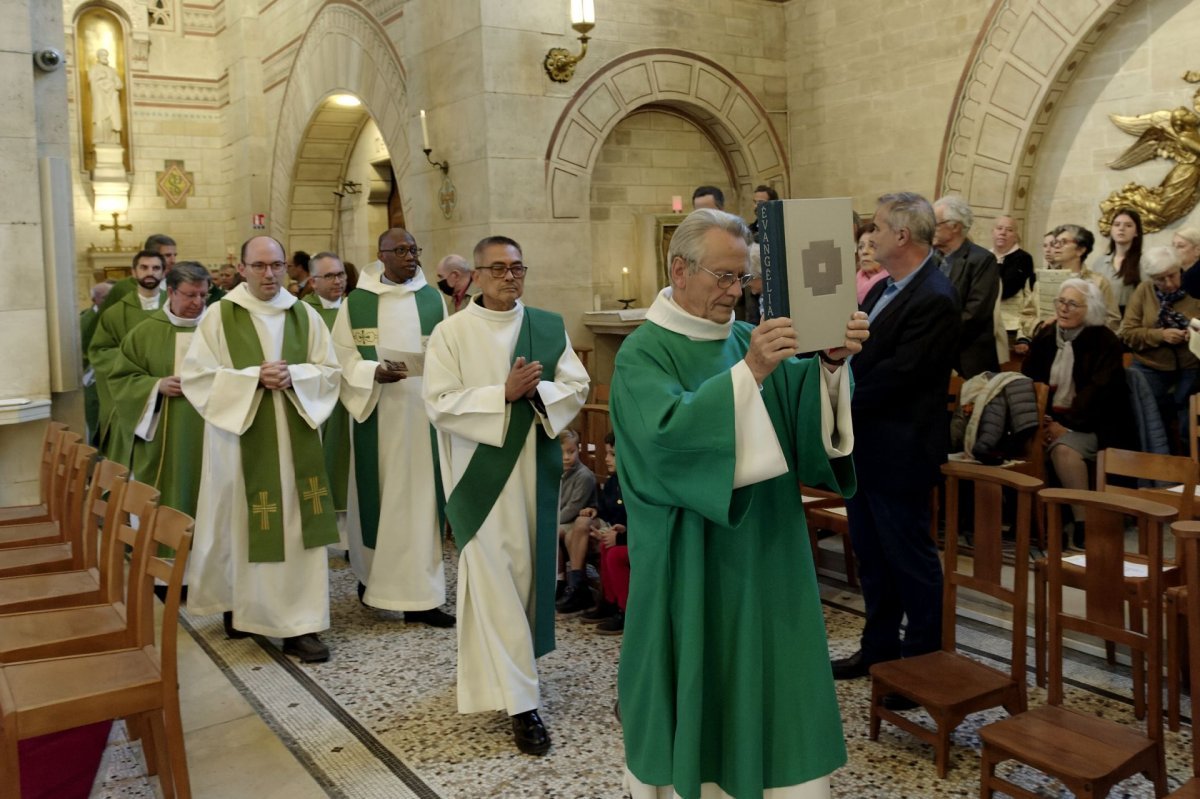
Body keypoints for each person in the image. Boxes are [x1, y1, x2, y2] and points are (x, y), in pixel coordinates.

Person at [611, 208, 868, 799]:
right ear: (679, 269)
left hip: (769, 550)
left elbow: (798, 419)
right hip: (694, 559)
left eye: (742, 278)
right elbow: (663, 443)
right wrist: (750, 371)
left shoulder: (738, 339)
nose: (736, 292)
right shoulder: (643, 354)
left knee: (775, 683)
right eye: (723, 277)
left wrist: (830, 365)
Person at [423, 235, 589, 756]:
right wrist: (502, 394)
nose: (510, 276)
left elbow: (577, 386)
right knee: (494, 584)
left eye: (517, 267)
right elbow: (439, 403)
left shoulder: (547, 325)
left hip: (536, 479)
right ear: (474, 275)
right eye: (498, 268)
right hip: (481, 482)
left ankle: (507, 683)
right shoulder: (450, 334)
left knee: (523, 582)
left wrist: (537, 392)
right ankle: (524, 705)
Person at [182, 236, 341, 663]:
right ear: (243, 269)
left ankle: (298, 624)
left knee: (293, 527)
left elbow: (330, 373)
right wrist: (253, 377)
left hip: (295, 443)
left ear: (286, 267)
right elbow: (197, 378)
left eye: (276, 265)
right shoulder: (219, 317)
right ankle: (242, 607)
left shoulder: (305, 315)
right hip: (239, 442)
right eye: (259, 266)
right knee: (240, 522)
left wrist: (297, 377)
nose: (268, 274)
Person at [832, 193, 961, 696]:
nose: (871, 238)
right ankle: (879, 650)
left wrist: (840, 391)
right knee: (872, 555)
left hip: (901, 451)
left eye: (879, 229)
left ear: (903, 236)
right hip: (867, 448)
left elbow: (902, 375)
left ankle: (922, 671)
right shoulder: (883, 288)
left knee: (911, 561)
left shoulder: (935, 296)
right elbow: (858, 350)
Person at [332, 230, 453, 625]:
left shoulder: (433, 299)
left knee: (422, 507)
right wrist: (371, 372)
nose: (410, 257)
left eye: (414, 249)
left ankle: (425, 597)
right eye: (401, 251)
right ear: (381, 255)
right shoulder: (358, 303)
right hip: (378, 418)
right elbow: (340, 359)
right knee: (379, 502)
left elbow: (449, 352)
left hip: (423, 419)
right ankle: (373, 582)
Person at [1023, 278, 1132, 545]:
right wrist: (1044, 420)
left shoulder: (1104, 341)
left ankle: (1083, 521)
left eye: (1073, 304)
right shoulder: (1047, 336)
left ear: (1090, 309)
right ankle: (1041, 524)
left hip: (1096, 424)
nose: (1064, 309)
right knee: (1020, 444)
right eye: (1061, 302)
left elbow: (1100, 393)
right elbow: (1029, 380)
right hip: (1049, 421)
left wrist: (1066, 426)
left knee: (1064, 450)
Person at [108, 262, 210, 518]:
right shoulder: (144, 333)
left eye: (203, 294)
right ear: (172, 292)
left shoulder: (218, 329)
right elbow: (121, 379)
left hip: (212, 431)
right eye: (190, 294)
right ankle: (159, 552)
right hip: (163, 431)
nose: (198, 302)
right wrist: (156, 385)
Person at [88, 250, 167, 464]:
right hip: (131, 395)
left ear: (163, 272)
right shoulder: (115, 313)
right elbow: (99, 351)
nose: (150, 273)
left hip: (170, 395)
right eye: (144, 267)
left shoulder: (176, 308)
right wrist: (134, 366)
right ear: (134, 272)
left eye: (156, 268)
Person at [1119, 246, 1200, 449]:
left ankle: (1191, 472)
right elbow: (1128, 332)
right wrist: (1160, 335)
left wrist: (1193, 332)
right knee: (1149, 423)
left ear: (1179, 268)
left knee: (1188, 426)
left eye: (1172, 275)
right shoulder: (1144, 291)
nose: (1169, 283)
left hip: (1190, 366)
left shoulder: (1195, 287)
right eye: (1160, 279)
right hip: (1150, 366)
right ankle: (1158, 472)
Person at [303, 253, 352, 548]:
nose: (338, 281)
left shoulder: (354, 309)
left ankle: (350, 539)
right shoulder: (302, 313)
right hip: (317, 403)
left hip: (352, 400)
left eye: (341, 274)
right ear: (313, 282)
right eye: (330, 276)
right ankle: (323, 530)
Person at [1016, 224, 1120, 350]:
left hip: (1085, 350)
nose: (1056, 246)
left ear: (1080, 250)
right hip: (1047, 347)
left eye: (1063, 242)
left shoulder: (1098, 282)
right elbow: (1027, 316)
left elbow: (1113, 321)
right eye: (1055, 242)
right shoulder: (1043, 281)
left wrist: (1080, 324)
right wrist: (1040, 326)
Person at [932, 195, 1000, 377]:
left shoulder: (981, 260)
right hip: (934, 356)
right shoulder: (931, 259)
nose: (930, 229)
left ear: (955, 226)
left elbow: (976, 313)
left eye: (935, 223)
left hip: (968, 358)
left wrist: (936, 334)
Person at [579, 433, 628, 635]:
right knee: (605, 546)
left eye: (613, 454)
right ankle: (609, 602)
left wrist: (621, 536)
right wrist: (596, 511)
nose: (606, 459)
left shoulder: (636, 485)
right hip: (625, 535)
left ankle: (625, 611)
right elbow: (609, 509)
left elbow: (643, 523)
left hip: (639, 541)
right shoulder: (614, 481)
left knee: (616, 554)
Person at [553, 429, 597, 615]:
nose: (566, 457)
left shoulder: (584, 476)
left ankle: (564, 583)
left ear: (578, 450)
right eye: (562, 452)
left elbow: (572, 509)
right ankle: (559, 581)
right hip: (564, 520)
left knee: (554, 531)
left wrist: (550, 522)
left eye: (571, 452)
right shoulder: (556, 472)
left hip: (578, 519)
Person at [81, 281, 114, 446]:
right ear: (95, 300)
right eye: (106, 297)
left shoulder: (113, 316)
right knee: (95, 421)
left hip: (110, 378)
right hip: (92, 379)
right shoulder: (85, 320)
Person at [991, 214, 1035, 335]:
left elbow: (1007, 289)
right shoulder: (985, 257)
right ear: (992, 232)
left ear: (1015, 235)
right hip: (986, 322)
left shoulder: (1023, 258)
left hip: (1010, 324)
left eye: (1009, 230)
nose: (1003, 233)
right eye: (999, 228)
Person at [1094, 207, 1144, 313]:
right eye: (1117, 225)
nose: (1121, 229)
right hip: (1102, 317)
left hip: (1129, 319)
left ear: (1136, 232)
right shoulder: (1100, 262)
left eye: (1128, 225)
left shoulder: (1143, 262)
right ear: (1111, 230)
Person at [88, 49, 123, 145]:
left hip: (111, 98)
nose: (105, 57)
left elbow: (119, 84)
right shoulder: (94, 68)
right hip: (100, 97)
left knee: (112, 118)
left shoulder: (112, 70)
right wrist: (100, 78)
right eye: (103, 55)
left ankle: (112, 139)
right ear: (98, 57)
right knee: (100, 116)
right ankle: (100, 138)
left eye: (106, 55)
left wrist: (113, 84)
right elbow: (91, 79)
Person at [855, 223, 887, 305]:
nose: (864, 252)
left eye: (872, 246)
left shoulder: (895, 284)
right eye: (861, 247)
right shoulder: (851, 285)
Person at [1175, 227, 1200, 298]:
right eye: (1173, 246)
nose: (1174, 250)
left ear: (1197, 250)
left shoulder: (1193, 277)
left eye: (1180, 246)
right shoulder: (1175, 274)